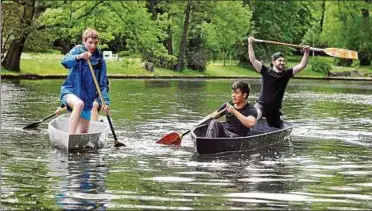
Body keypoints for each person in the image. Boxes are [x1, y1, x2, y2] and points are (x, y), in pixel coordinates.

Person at [248, 36, 310, 128]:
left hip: (274, 110)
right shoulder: (265, 71)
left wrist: (306, 53)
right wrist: (250, 44)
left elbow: (302, 65)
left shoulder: (287, 74)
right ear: (273, 62)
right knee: (254, 116)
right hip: (261, 105)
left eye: (283, 61)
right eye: (280, 60)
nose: (282, 62)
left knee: (277, 128)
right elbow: (252, 60)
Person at [56, 28, 110, 134]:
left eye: (96, 43)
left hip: (87, 100)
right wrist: (79, 57)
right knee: (78, 104)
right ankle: (70, 136)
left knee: (84, 133)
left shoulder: (100, 61)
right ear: (84, 41)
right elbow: (65, 62)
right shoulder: (77, 50)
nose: (93, 46)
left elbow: (102, 85)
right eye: (90, 42)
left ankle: (77, 142)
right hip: (70, 92)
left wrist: (106, 102)